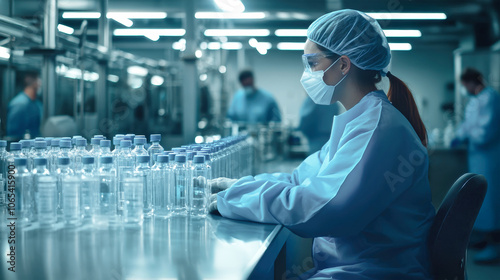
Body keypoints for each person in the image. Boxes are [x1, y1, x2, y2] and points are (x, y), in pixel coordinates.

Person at [208, 9, 435, 279]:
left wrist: (233, 202)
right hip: (351, 268)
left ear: (343, 65)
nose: (307, 74)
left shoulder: (377, 128)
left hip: (376, 272)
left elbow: (325, 209)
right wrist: (237, 186)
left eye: (312, 63)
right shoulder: (359, 119)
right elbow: (299, 179)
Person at [452, 68, 500, 264]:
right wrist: (458, 135)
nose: (465, 89)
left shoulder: (490, 98)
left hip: (489, 157)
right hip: (477, 157)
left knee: (491, 201)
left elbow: (484, 131)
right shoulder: (475, 100)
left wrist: (467, 135)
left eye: (465, 85)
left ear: (472, 82)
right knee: (481, 198)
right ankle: (484, 237)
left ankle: (495, 244)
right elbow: (468, 124)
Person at [7, 72, 43, 139]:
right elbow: (13, 135)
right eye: (39, 79)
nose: (40, 83)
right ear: (29, 80)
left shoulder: (37, 104)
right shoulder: (19, 104)